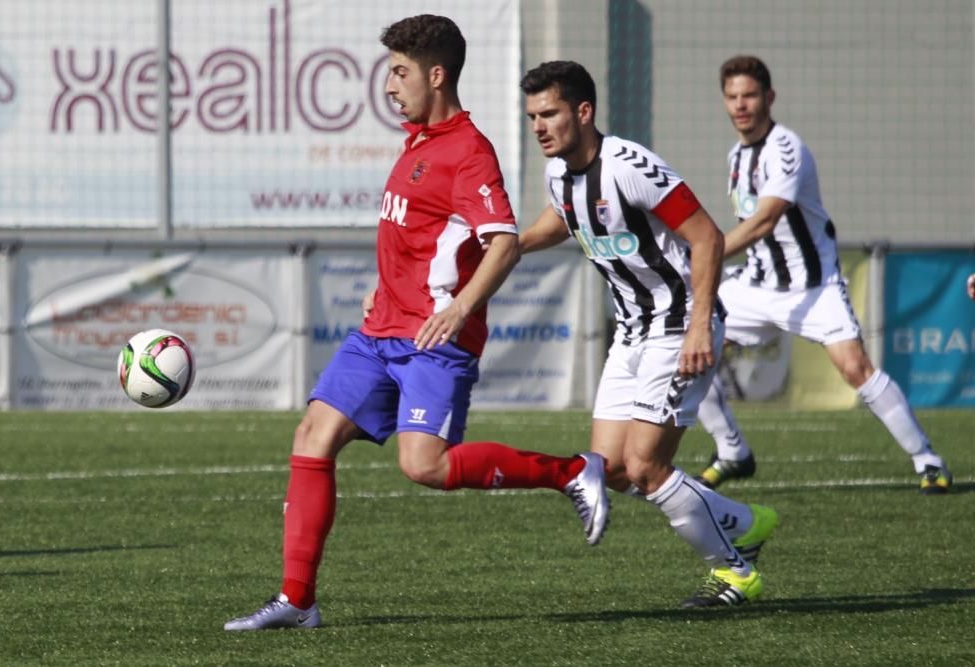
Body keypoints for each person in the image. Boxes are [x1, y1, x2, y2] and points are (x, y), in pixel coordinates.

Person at [223, 16, 609, 631]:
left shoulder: (469, 152)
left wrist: (459, 308)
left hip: (431, 338)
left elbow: (503, 241)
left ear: (437, 75)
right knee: (311, 437)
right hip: (379, 332)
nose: (388, 86)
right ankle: (297, 600)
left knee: (424, 465)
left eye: (399, 72)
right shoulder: (419, 141)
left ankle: (569, 471)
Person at [518, 60, 778, 608]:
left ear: (583, 112)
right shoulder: (557, 173)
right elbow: (561, 218)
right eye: (533, 116)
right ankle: (743, 521)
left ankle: (735, 571)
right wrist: (510, 245)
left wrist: (701, 325)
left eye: (550, 113)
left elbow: (705, 238)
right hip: (632, 331)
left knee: (645, 465)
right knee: (610, 470)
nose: (539, 126)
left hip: (679, 323)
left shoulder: (630, 165)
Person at [695, 55, 952, 495]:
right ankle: (732, 450)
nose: (741, 105)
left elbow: (763, 221)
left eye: (750, 95)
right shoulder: (736, 155)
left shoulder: (785, 148)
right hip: (756, 285)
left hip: (813, 288)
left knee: (856, 368)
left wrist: (706, 254)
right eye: (733, 97)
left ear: (769, 98)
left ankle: (928, 460)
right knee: (689, 350)